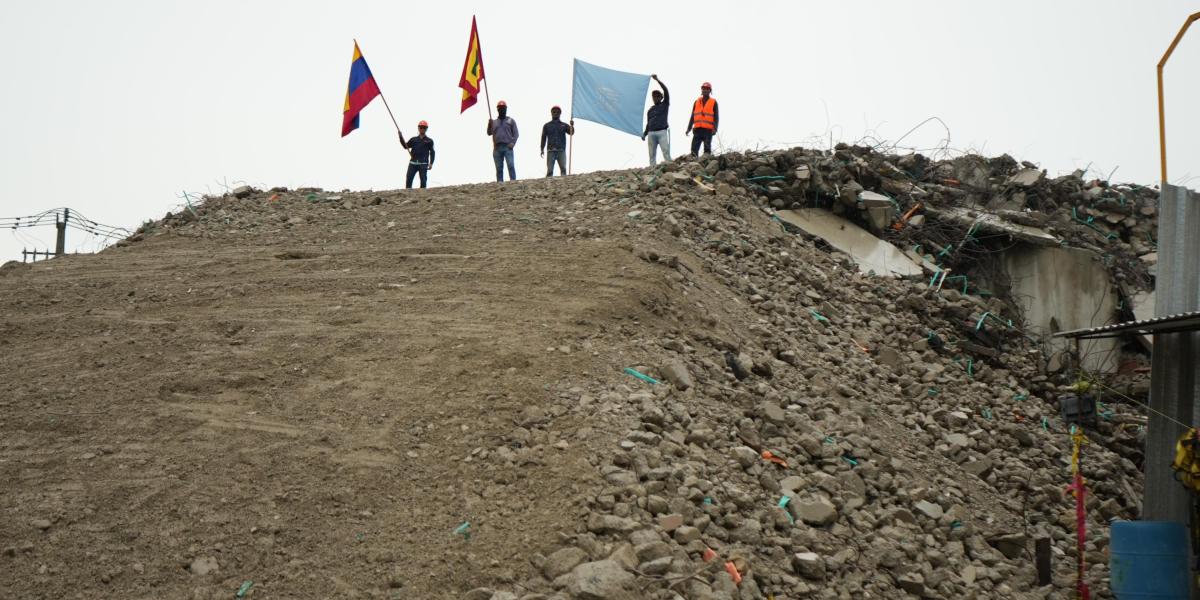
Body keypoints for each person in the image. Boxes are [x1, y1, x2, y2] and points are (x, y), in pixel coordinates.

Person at [486, 100, 519, 181]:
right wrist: (489, 125)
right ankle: (500, 183)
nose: (501, 109)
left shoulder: (511, 121)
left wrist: (513, 143)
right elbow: (489, 133)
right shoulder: (494, 122)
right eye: (500, 108)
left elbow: (516, 134)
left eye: (503, 108)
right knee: (499, 168)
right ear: (497, 109)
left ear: (506, 109)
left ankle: (513, 181)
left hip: (508, 147)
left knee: (511, 165)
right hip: (497, 148)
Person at [642, 74, 670, 166]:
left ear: (661, 97)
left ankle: (670, 165)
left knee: (665, 150)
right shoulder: (650, 110)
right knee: (651, 154)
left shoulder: (664, 104)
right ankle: (652, 169)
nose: (655, 98)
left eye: (657, 96)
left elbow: (666, 90)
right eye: (654, 96)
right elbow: (648, 123)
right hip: (651, 133)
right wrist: (645, 134)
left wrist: (657, 80)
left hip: (662, 131)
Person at [685, 82, 719, 157]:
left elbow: (716, 117)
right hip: (697, 130)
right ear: (701, 90)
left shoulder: (713, 102)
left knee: (707, 150)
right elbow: (692, 117)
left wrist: (715, 128)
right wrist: (689, 128)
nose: (705, 90)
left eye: (707, 89)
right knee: (693, 150)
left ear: (710, 91)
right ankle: (694, 165)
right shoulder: (696, 102)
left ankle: (706, 165)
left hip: (708, 130)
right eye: (704, 89)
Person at [399, 120, 435, 189]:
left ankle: (422, 196)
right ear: (418, 128)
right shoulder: (413, 139)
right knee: (409, 179)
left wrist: (431, 163)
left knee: (423, 181)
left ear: (426, 129)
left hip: (423, 164)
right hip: (413, 163)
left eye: (424, 127)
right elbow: (405, 146)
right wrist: (400, 137)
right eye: (421, 127)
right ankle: (408, 195)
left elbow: (432, 152)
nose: (422, 129)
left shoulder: (429, 141)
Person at [540, 106, 575, 177]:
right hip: (550, 150)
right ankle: (548, 184)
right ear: (551, 113)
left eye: (557, 112)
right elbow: (543, 138)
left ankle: (564, 183)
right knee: (549, 170)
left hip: (561, 150)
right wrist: (542, 149)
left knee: (563, 169)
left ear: (560, 113)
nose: (555, 113)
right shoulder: (547, 125)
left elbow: (571, 132)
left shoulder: (564, 125)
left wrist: (572, 126)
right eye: (554, 112)